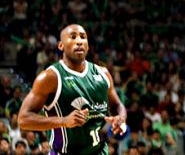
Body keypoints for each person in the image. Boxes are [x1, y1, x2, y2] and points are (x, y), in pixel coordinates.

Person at [18, 24, 127, 155]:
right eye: (73, 37)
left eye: (83, 37)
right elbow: (23, 120)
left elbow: (117, 105)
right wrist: (64, 121)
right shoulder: (50, 77)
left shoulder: (103, 73)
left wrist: (120, 118)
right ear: (61, 45)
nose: (79, 41)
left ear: (88, 44)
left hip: (99, 151)